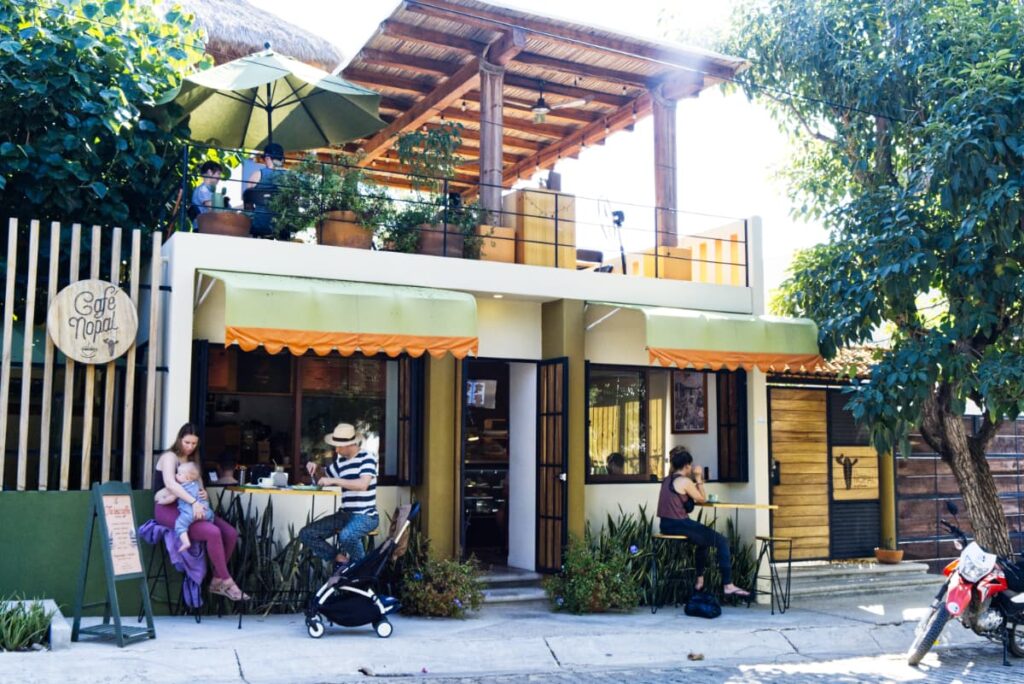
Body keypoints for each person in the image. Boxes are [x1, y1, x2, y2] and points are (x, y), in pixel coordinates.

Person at [154, 423, 249, 601]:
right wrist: (193, 501)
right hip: (169, 509)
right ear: (179, 439)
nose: (190, 447)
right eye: (187, 442)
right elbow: (170, 484)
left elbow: (199, 486)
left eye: (194, 444)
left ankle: (216, 580)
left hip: (192, 507)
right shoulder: (170, 457)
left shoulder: (193, 462)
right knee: (212, 532)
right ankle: (228, 582)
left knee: (231, 533)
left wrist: (202, 494)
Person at [657, 446, 750, 598]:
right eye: (691, 466)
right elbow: (702, 498)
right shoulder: (684, 481)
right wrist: (699, 478)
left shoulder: (666, 480)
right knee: (722, 541)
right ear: (687, 465)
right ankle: (728, 585)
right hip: (680, 524)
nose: (692, 468)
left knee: (703, 541)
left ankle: (699, 581)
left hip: (665, 525)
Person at [299, 423, 379, 572]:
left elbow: (363, 484)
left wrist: (335, 481)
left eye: (339, 446)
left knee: (347, 536)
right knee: (306, 533)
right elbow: (324, 476)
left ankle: (361, 571)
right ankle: (342, 561)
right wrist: (315, 468)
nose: (336, 450)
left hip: (366, 515)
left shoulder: (367, 458)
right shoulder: (341, 462)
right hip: (345, 514)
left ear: (350, 444)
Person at [154, 461, 215, 552]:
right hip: (205, 511)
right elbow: (203, 497)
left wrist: (161, 501)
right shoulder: (197, 485)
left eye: (179, 474)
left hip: (190, 514)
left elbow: (171, 499)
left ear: (187, 478)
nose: (176, 475)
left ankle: (186, 542)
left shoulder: (181, 488)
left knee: (180, 524)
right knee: (211, 515)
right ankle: (209, 523)